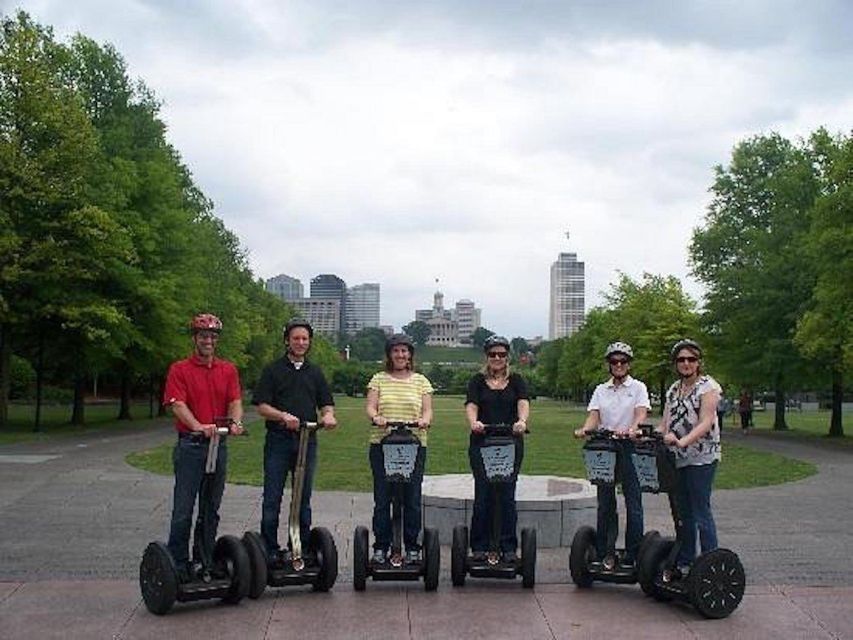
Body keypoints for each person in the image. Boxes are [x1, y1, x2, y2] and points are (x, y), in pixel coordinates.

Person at [163, 313, 244, 581]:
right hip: (191, 446)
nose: (208, 340)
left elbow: (235, 400)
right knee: (183, 509)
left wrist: (235, 422)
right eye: (203, 335)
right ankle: (178, 563)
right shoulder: (179, 369)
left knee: (211, 508)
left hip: (217, 447)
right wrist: (197, 425)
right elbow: (177, 404)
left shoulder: (228, 369)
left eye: (212, 336)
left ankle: (204, 560)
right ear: (195, 338)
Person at [253, 318, 337, 564]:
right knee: (272, 497)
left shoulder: (315, 372)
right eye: (296, 338)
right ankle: (269, 551)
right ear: (287, 341)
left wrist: (328, 416)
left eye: (304, 339)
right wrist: (282, 416)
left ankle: (299, 548)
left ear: (309, 342)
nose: (300, 343)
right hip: (279, 440)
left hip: (307, 440)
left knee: (303, 498)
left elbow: (326, 402)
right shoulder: (273, 370)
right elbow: (261, 406)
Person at [574, 342, 650, 570]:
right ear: (609, 364)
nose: (618, 365)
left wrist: (634, 428)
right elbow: (594, 417)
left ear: (629, 364)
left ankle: (633, 553)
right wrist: (585, 429)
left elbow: (641, 413)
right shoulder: (600, 389)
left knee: (633, 500)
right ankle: (604, 550)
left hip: (629, 446)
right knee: (605, 502)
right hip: (605, 447)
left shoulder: (638, 388)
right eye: (614, 361)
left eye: (623, 361)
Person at [365, 333, 433, 564]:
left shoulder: (421, 381)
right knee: (383, 498)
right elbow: (371, 407)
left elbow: (427, 410)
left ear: (410, 355)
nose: (400, 355)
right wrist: (377, 417)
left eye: (404, 351)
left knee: (412, 498)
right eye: (396, 351)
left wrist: (424, 420)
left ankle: (412, 546)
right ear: (389, 354)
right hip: (382, 445)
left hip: (414, 445)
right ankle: (381, 546)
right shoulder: (378, 379)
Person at [465, 335, 530, 563]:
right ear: (487, 356)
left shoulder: (517, 380)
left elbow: (523, 402)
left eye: (501, 354)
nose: (497, 358)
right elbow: (472, 405)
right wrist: (474, 423)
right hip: (482, 443)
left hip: (510, 444)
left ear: (507, 357)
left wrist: (522, 422)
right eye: (493, 354)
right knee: (483, 494)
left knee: (507, 495)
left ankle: (508, 546)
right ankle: (480, 546)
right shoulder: (477, 381)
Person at [660, 338, 722, 576]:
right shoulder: (674, 389)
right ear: (676, 363)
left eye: (691, 359)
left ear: (698, 362)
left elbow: (706, 421)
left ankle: (710, 563)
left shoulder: (709, 387)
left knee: (700, 510)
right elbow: (665, 423)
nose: (686, 363)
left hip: (702, 457)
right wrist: (646, 435)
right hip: (677, 457)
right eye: (681, 359)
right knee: (683, 511)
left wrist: (683, 441)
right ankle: (687, 561)